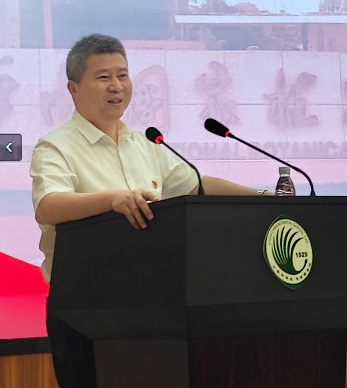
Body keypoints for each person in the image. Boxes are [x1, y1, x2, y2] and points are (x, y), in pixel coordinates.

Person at [31, 33, 264, 388]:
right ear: (73, 89)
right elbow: (49, 205)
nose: (116, 86)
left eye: (122, 75)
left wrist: (263, 196)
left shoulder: (145, 142)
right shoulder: (55, 146)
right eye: (103, 76)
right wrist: (112, 200)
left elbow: (197, 185)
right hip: (85, 307)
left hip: (150, 304)